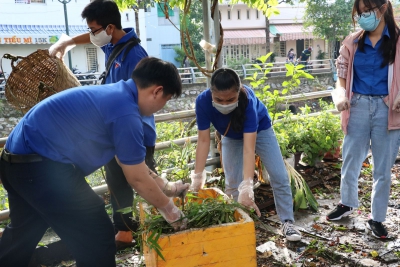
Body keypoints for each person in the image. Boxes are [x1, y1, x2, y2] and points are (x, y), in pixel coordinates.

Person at [0, 57, 190, 266]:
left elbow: (131, 162)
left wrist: (167, 187)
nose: (162, 107)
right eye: (167, 98)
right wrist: (172, 212)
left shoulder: (116, 96)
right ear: (157, 91)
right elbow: (137, 179)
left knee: (23, 233)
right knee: (97, 234)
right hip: (41, 168)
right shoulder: (125, 112)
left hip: (15, 163)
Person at [49, 0, 156, 248]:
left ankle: (152, 226)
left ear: (109, 28)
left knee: (140, 180)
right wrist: (67, 42)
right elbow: (89, 39)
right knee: (117, 183)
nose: (91, 35)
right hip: (113, 131)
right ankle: (126, 232)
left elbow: (142, 100)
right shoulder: (114, 47)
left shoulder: (135, 55)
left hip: (134, 132)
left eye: (94, 30)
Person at [189, 68, 302, 242]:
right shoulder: (203, 102)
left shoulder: (248, 101)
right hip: (230, 136)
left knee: (279, 175)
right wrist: (197, 176)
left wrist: (248, 185)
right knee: (233, 183)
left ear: (239, 92)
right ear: (211, 92)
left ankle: (287, 222)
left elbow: (249, 148)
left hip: (261, 130)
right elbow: (203, 141)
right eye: (219, 99)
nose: (224, 104)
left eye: (230, 99)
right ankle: (240, 223)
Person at [327, 0, 400, 239]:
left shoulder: (398, 40)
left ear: (383, 9)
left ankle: (377, 218)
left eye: (366, 11)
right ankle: (347, 203)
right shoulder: (353, 41)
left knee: (382, 170)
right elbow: (342, 74)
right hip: (356, 105)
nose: (362, 17)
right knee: (350, 159)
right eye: (359, 13)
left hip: (387, 109)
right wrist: (340, 95)